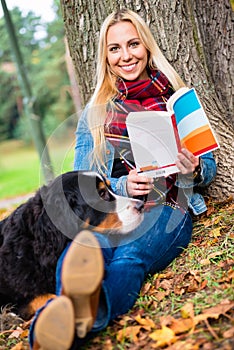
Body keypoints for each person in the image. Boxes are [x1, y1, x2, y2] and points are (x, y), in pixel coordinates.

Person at [29, 8, 216, 350]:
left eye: (133, 44)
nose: (126, 56)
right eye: (115, 48)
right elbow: (84, 181)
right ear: (106, 56)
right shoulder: (96, 111)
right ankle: (56, 322)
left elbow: (209, 165)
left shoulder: (176, 97)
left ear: (146, 47)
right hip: (117, 207)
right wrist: (122, 186)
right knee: (85, 249)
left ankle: (71, 328)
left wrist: (193, 169)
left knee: (130, 257)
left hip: (169, 207)